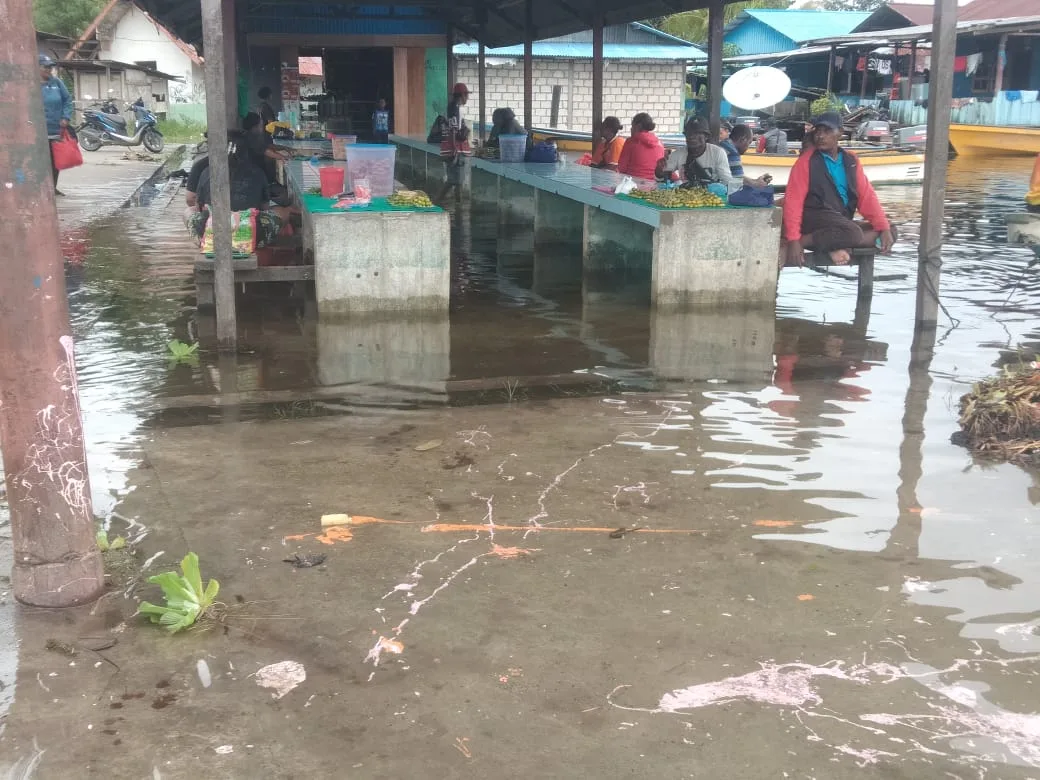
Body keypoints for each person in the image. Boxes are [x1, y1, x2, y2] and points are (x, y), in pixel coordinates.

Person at [783, 111, 895, 268]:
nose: (820, 136)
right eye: (818, 131)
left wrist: (883, 227)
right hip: (815, 218)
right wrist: (794, 239)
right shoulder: (806, 162)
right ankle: (807, 241)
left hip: (839, 222)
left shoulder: (851, 160)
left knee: (890, 229)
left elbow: (867, 197)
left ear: (840, 133)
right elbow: (793, 202)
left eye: (827, 131)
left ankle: (837, 245)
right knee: (853, 233)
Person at [655, 116, 738, 192]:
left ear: (706, 136)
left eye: (697, 134)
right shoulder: (679, 154)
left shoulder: (717, 153)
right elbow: (661, 177)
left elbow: (727, 180)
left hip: (710, 198)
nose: (691, 137)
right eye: (688, 134)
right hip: (686, 197)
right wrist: (659, 170)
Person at [40, 54, 73, 195]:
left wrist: (66, 117)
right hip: (39, 131)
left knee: (56, 161)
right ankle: (42, 188)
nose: (48, 70)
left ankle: (52, 187)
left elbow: (67, 100)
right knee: (41, 161)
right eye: (45, 67)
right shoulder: (30, 84)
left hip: (56, 129)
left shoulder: (56, 83)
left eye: (50, 67)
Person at [439, 83, 471, 202]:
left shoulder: (451, 107)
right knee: (454, 180)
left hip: (450, 148)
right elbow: (453, 129)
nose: (467, 98)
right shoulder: (454, 109)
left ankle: (458, 205)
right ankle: (436, 202)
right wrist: (454, 149)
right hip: (455, 148)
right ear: (462, 95)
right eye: (466, 95)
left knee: (457, 181)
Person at [617, 113, 664, 180]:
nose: (631, 129)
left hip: (633, 184)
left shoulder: (630, 142)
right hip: (652, 184)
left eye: (632, 126)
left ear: (638, 126)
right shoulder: (660, 143)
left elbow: (622, 168)